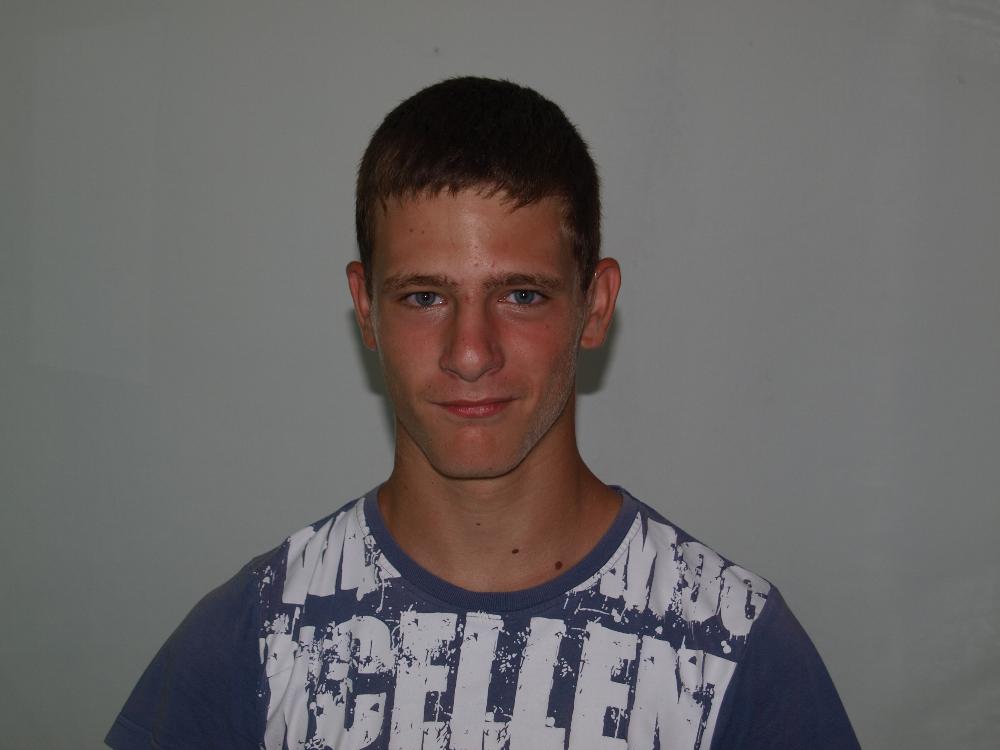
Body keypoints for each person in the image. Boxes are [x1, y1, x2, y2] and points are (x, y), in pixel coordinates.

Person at [106, 77, 860, 750]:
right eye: (424, 297)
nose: (470, 353)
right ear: (365, 308)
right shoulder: (255, 640)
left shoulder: (733, 650)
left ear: (595, 306)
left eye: (522, 295)